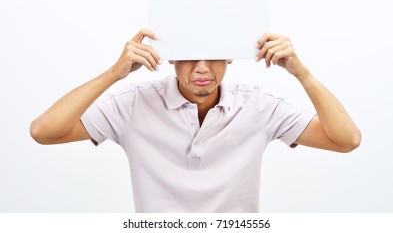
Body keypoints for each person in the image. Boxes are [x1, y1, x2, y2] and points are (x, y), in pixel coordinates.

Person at [30, 29, 361, 212]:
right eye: (190, 55)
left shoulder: (259, 105)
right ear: (170, 55)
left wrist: (300, 72)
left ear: (232, 54)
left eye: (213, 54)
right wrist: (112, 75)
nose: (202, 68)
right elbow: (43, 131)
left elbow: (346, 140)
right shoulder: (133, 105)